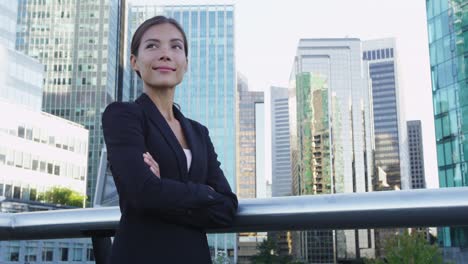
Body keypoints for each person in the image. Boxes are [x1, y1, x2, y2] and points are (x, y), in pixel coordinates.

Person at [102, 15, 238, 264]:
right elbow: (142, 192)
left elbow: (227, 207)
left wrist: (162, 187)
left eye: (176, 46)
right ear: (134, 61)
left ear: (185, 62)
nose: (165, 54)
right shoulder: (123, 116)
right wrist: (204, 193)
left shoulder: (199, 133)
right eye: (152, 45)